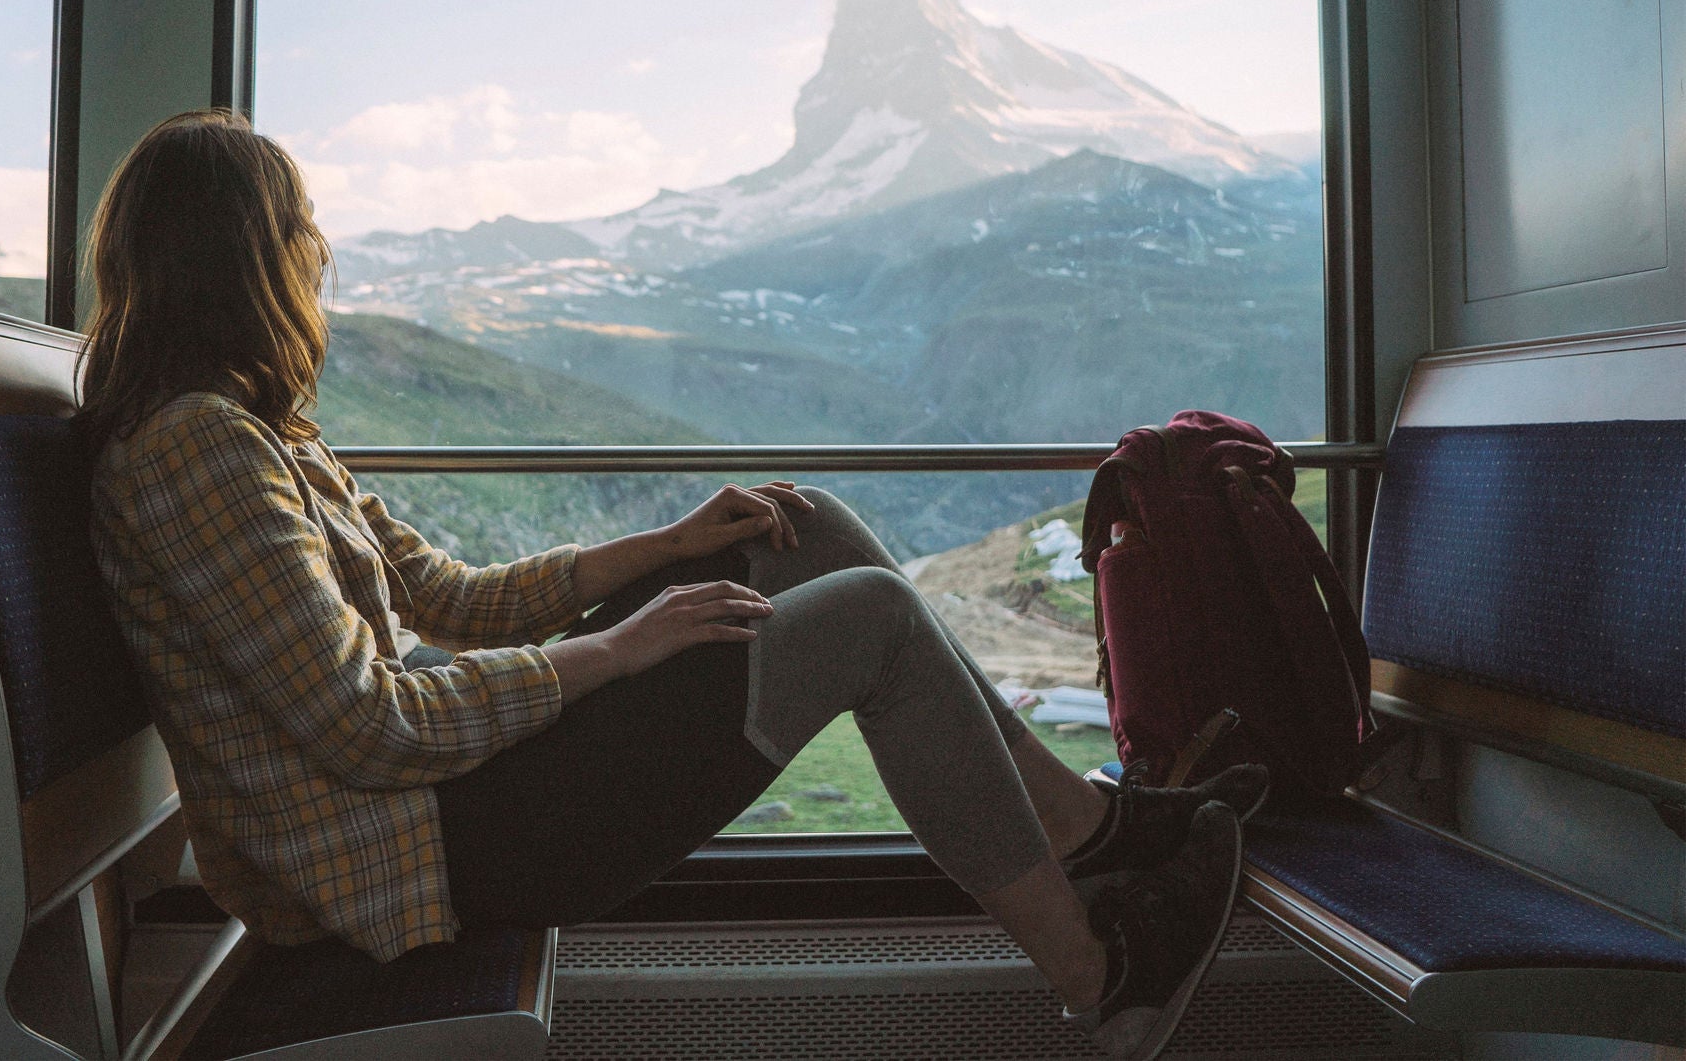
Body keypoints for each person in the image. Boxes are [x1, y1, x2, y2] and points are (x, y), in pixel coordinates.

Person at [78, 110, 1267, 1061]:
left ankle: (1090, 830)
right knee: (875, 624)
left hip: (447, 805)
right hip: (409, 851)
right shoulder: (198, 450)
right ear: (242, 258)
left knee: (798, 524)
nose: (316, 255)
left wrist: (658, 548)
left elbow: (442, 596)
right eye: (299, 230)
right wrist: (617, 649)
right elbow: (366, 723)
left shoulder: (260, 434)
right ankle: (1102, 975)